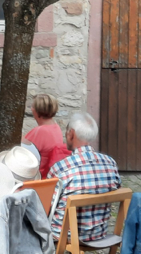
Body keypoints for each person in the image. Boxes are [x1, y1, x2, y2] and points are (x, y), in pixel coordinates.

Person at [48, 113, 121, 243]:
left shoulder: (60, 168)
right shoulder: (111, 163)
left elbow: (48, 207)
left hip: (65, 236)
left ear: (71, 134)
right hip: (99, 234)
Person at [22, 94, 70, 178]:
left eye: (32, 106)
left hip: (36, 176)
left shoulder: (40, 131)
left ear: (37, 110)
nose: (31, 109)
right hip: (47, 175)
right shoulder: (56, 127)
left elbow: (21, 152)